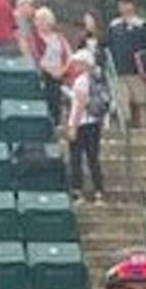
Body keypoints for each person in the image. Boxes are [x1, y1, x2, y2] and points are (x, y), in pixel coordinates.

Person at [105, 0, 146, 131]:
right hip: (120, 70)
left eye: (126, 3)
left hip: (138, 71)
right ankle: (127, 133)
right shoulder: (114, 26)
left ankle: (143, 131)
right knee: (123, 104)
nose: (123, 7)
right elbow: (108, 47)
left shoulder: (142, 25)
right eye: (121, 4)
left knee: (141, 103)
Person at [62, 42, 108, 201]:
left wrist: (72, 126)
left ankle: (78, 190)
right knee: (93, 157)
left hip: (82, 124)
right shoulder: (94, 79)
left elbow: (79, 105)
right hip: (94, 123)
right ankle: (99, 191)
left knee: (77, 157)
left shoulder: (81, 81)